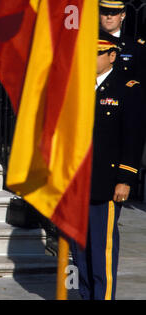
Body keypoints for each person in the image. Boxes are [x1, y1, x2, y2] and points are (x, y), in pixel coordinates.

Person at [70, 30, 145, 300]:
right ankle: (84, 295)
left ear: (112, 56)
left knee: (102, 249)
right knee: (79, 250)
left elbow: (133, 137)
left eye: (97, 53)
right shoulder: (78, 86)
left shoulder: (127, 89)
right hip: (77, 183)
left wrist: (125, 178)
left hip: (105, 183)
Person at [99, 1, 146, 82]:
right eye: (105, 12)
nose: (109, 16)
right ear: (99, 14)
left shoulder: (135, 47)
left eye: (114, 13)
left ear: (122, 15)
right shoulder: (90, 43)